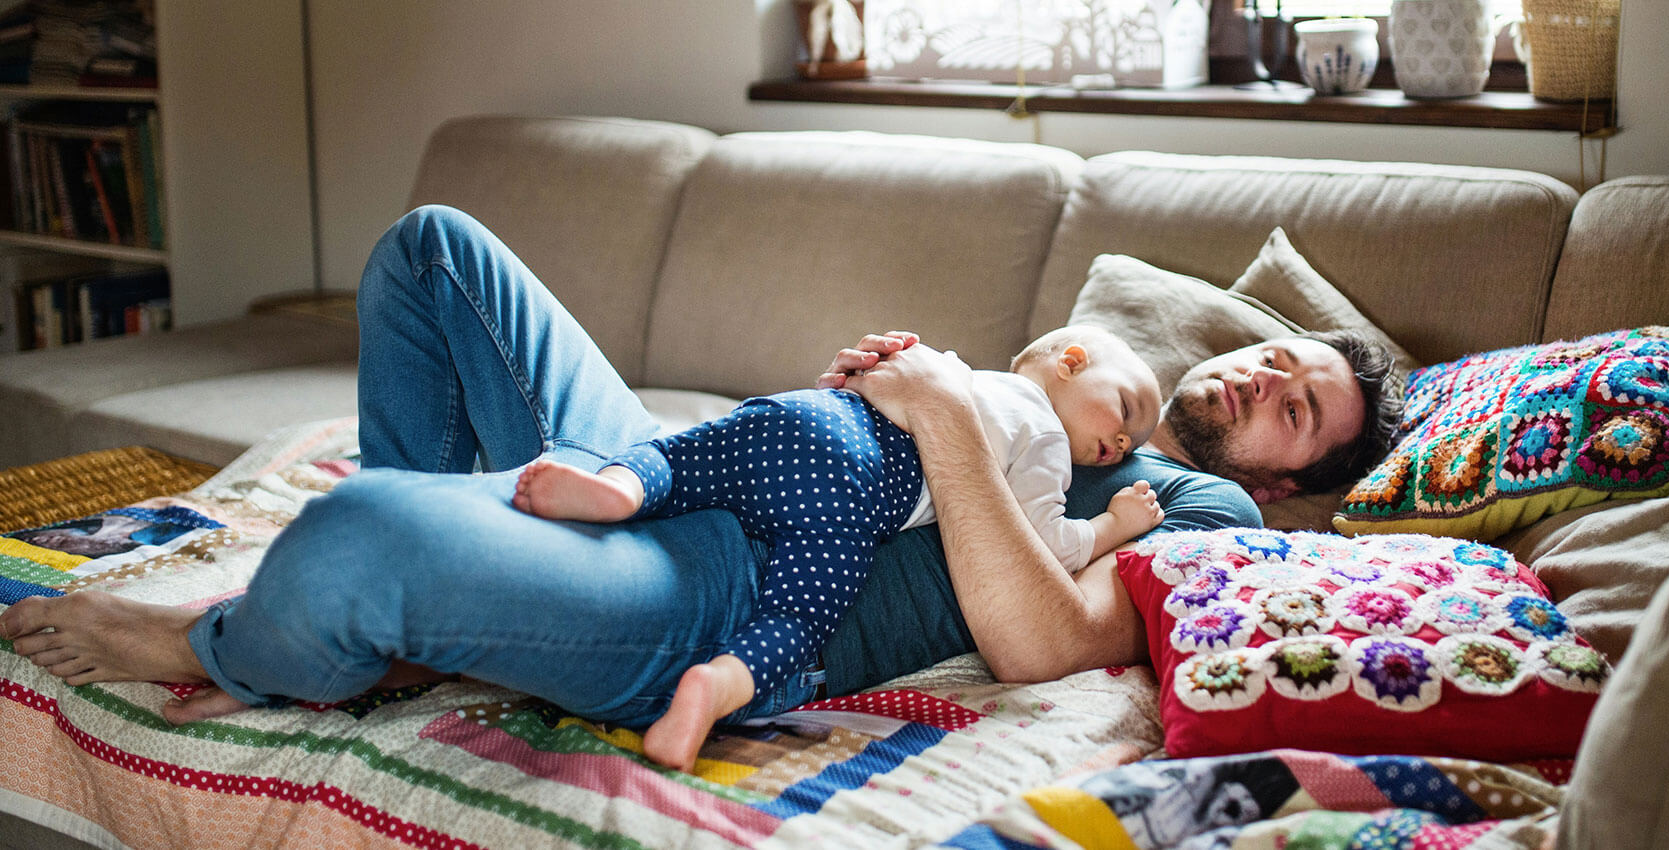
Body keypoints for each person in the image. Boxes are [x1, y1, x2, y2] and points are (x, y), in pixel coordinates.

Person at [0, 205, 1402, 768]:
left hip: (718, 592)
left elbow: (1045, 642)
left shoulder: (1200, 513)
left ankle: (234, 641)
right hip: (704, 461)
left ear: (1298, 482)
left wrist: (936, 419)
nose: (1259, 386)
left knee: (353, 533)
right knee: (434, 251)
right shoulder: (1066, 376)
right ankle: (436, 598)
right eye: (1274, 357)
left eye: (1297, 413)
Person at [510, 324, 1166, 768]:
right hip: (852, 494)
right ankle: (716, 688)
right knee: (799, 613)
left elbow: (871, 382)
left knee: (690, 454)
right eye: (1126, 410)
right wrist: (1112, 526)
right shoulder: (1046, 437)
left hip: (808, 419)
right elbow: (1047, 544)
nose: (1125, 444)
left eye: (1134, 443)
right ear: (1071, 363)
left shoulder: (951, 368)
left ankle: (621, 489)